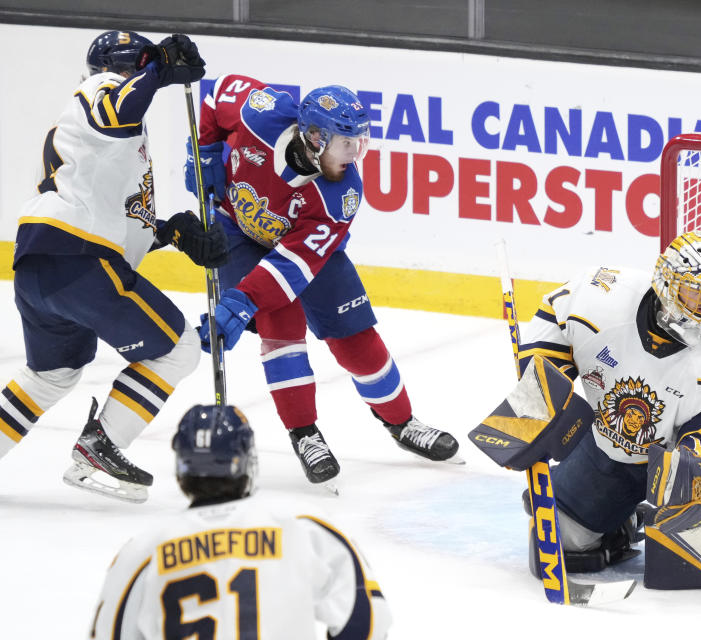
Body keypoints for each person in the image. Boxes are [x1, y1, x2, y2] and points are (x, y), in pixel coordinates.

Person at [184, 75, 459, 487]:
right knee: (282, 332)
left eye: (360, 143)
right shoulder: (262, 113)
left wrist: (241, 300)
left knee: (356, 339)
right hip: (238, 234)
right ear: (314, 136)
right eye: (346, 143)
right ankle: (305, 434)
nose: (355, 154)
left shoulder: (340, 194)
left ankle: (402, 423)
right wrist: (204, 152)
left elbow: (290, 266)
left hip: (303, 252)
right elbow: (215, 94)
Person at [0, 30, 225, 503]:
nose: (137, 76)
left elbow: (121, 224)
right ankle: (101, 446)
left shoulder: (112, 140)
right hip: (77, 261)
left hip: (42, 266)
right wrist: (160, 67)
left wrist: (174, 232)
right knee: (178, 347)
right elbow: (118, 104)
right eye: (135, 66)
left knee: (51, 374)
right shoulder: (97, 93)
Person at [516, 232, 701, 571]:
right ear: (666, 284)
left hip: (681, 467)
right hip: (612, 452)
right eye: (695, 291)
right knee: (563, 543)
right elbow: (555, 316)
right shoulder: (603, 295)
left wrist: (694, 468)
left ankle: (647, 505)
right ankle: (618, 519)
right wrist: (542, 388)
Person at [89, 403, 392, 639]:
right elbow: (367, 622)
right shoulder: (302, 527)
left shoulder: (144, 551)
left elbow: (109, 632)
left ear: (182, 469)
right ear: (246, 462)